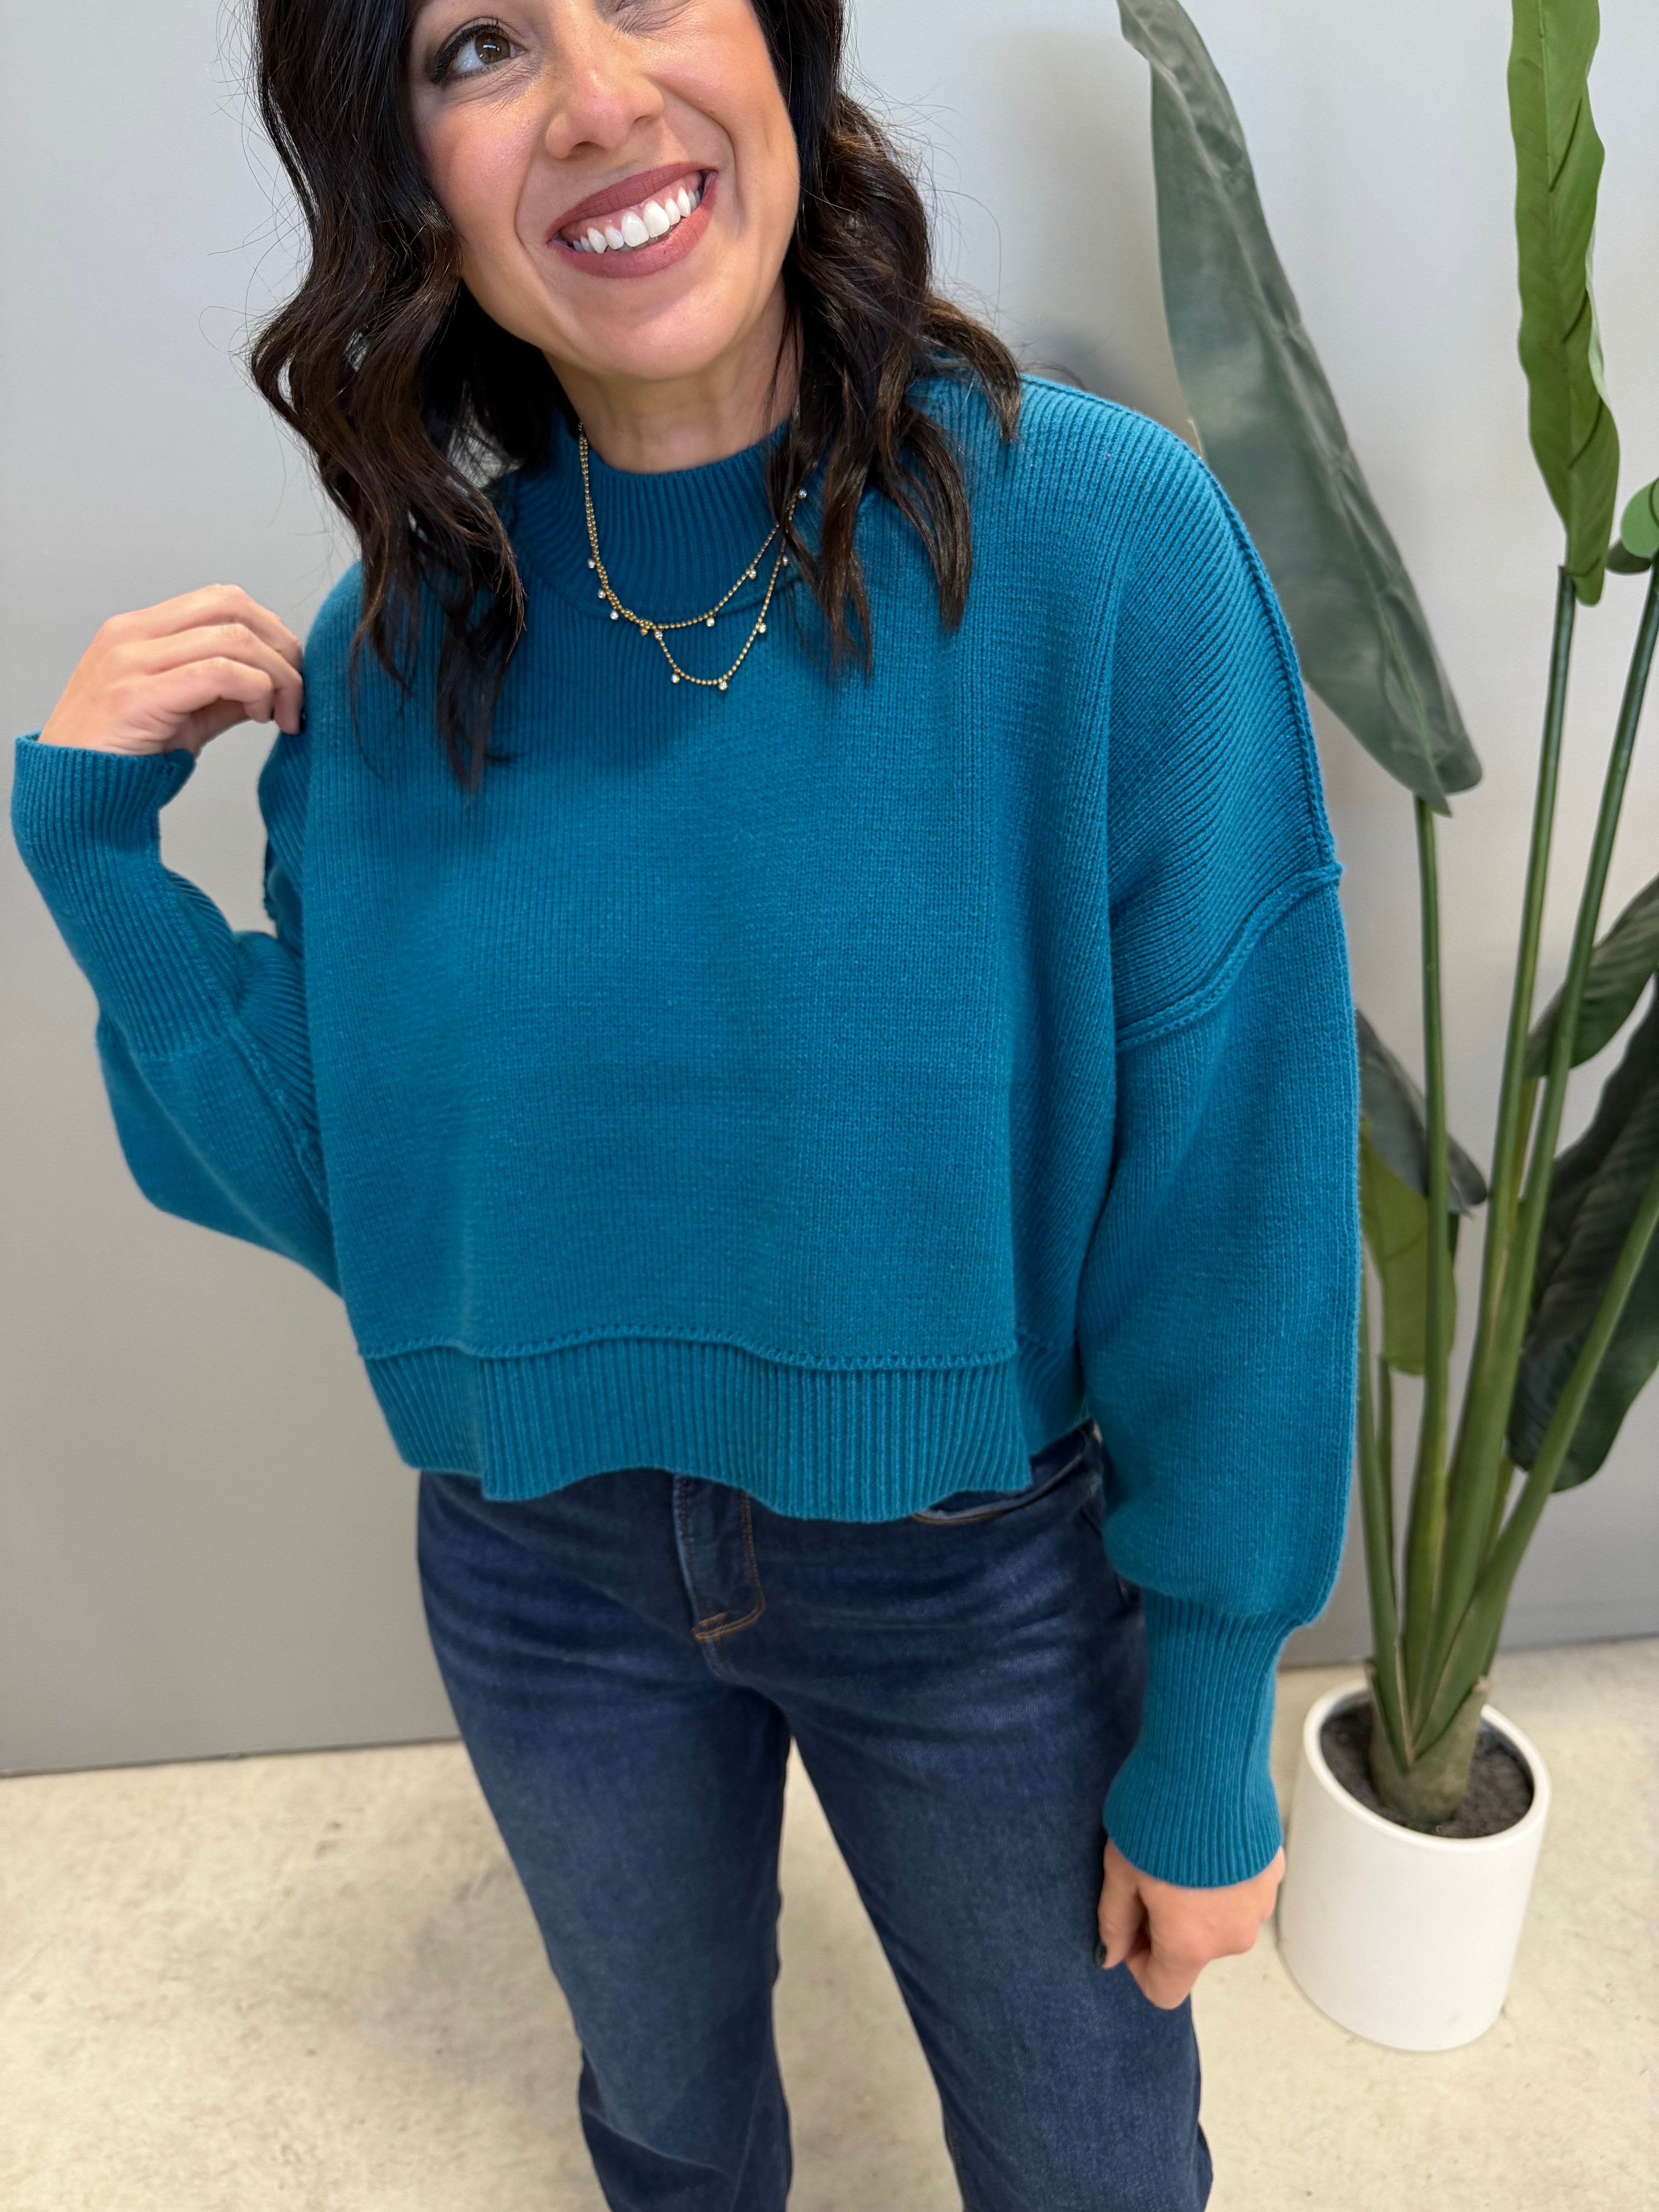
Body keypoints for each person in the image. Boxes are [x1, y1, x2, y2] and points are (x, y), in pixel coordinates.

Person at [10, 2, 1360, 2205]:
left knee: (1095, 2166)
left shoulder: (1099, 546)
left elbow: (1238, 1199)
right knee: (668, 2136)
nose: (600, 98)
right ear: (405, 170)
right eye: (478, 46)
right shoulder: (401, 650)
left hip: (975, 1578)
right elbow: (387, 1211)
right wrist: (98, 876)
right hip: (538, 1569)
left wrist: (1211, 1720)